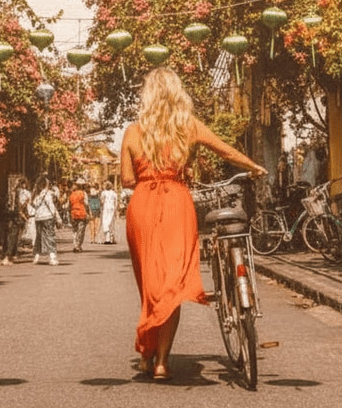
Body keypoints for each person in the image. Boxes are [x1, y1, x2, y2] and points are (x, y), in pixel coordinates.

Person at [121, 68, 267, 381]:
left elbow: (126, 179)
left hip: (142, 206)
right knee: (173, 282)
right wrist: (253, 166)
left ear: (147, 96)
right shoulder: (188, 126)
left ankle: (147, 352)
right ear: (178, 94)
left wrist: (150, 172)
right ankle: (162, 361)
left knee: (151, 282)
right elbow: (226, 151)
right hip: (177, 203)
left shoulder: (132, 131)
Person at [30, 174, 62, 266]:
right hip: (48, 217)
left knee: (39, 237)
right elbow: (52, 207)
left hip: (38, 218)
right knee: (49, 237)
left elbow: (33, 205)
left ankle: (36, 256)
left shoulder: (36, 195)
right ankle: (52, 257)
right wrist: (57, 218)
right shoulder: (48, 194)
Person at [1, 177, 30, 266]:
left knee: (9, 236)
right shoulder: (23, 193)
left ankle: (8, 255)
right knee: (13, 236)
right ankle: (8, 256)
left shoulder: (11, 193)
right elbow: (24, 206)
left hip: (10, 216)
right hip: (17, 217)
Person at [68, 180, 89, 253]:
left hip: (73, 213)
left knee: (75, 230)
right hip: (82, 213)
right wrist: (88, 213)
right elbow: (86, 204)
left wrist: (70, 213)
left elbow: (69, 204)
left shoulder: (72, 194)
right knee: (81, 230)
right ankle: (78, 245)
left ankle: (75, 245)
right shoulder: (84, 193)